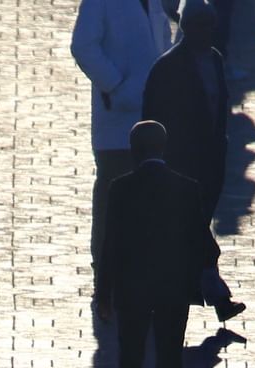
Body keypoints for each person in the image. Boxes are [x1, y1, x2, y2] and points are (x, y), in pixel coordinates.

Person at [105, 124, 218, 368]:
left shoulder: (121, 188)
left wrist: (104, 292)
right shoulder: (185, 187)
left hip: (132, 288)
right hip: (173, 288)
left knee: (131, 356)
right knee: (169, 358)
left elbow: (110, 243)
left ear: (133, 149)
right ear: (163, 147)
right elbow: (201, 240)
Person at [140, 6, 243, 320]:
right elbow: (152, 119)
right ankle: (211, 293)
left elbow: (220, 110)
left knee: (193, 230)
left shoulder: (214, 59)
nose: (209, 34)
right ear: (189, 28)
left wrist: (221, 148)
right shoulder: (167, 69)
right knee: (196, 232)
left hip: (210, 163)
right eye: (203, 28)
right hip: (179, 164)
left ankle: (196, 290)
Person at [70, 0, 172, 298]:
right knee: (113, 192)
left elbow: (162, 40)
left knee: (149, 192)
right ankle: (105, 267)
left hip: (152, 114)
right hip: (117, 118)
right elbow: (84, 46)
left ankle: (142, 266)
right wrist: (115, 86)